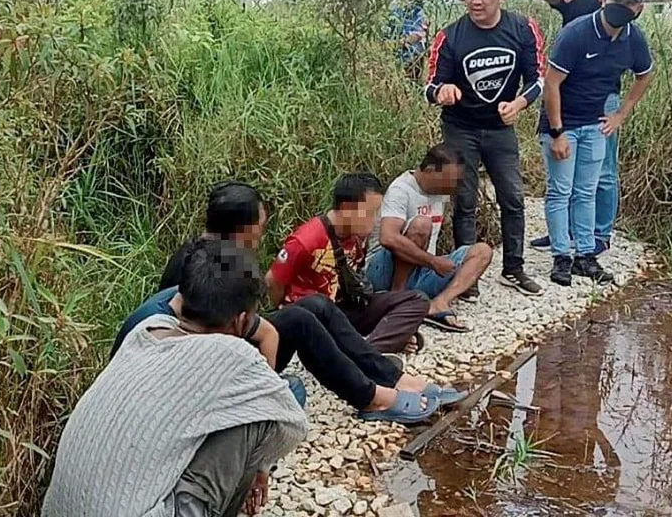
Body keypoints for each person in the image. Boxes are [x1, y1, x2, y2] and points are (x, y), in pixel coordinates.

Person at [118, 181, 458, 426]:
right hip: (198, 369)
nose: (261, 237)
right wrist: (263, 387)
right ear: (241, 230)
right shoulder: (206, 267)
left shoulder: (214, 255)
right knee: (302, 324)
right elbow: (201, 339)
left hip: (217, 346)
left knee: (314, 309)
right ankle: (373, 397)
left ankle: (388, 379)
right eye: (260, 229)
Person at [43, 239, 309, 517]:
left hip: (57, 510)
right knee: (265, 410)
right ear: (241, 321)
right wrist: (261, 467)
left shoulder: (145, 330)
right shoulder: (233, 355)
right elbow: (291, 424)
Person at [424, 0, 545, 297]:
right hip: (460, 127)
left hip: (500, 128)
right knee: (465, 200)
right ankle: (467, 274)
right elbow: (429, 87)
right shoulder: (450, 37)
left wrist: (520, 104)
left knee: (513, 196)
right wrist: (442, 92)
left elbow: (537, 78)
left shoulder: (522, 29)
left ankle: (514, 267)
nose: (475, 0)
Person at [541, 0, 654, 286]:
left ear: (639, 8)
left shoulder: (633, 38)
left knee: (586, 192)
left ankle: (586, 257)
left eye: (630, 3)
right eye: (618, 0)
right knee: (560, 190)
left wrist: (620, 114)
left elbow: (645, 74)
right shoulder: (576, 33)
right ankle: (561, 257)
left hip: (595, 123)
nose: (622, 7)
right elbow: (551, 83)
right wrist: (557, 132)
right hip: (563, 122)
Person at [531, 0, 627, 255]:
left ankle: (600, 234)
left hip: (605, 98)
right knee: (566, 169)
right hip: (567, 94)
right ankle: (566, 231)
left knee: (604, 171)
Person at [266, 172, 431, 353]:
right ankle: (370, 350)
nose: (375, 220)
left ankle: (371, 349)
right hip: (313, 317)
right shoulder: (307, 239)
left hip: (344, 310)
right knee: (320, 305)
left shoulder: (357, 236)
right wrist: (285, 314)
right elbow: (273, 280)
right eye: (369, 213)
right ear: (346, 208)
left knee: (417, 299)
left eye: (377, 213)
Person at [366, 143, 493, 333]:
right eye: (450, 180)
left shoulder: (440, 192)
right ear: (432, 171)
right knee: (421, 224)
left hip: (422, 270)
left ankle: (439, 303)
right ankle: (396, 298)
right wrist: (433, 262)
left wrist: (434, 263)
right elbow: (388, 238)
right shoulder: (401, 190)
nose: (454, 187)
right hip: (384, 271)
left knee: (483, 251)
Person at [387, 0, 429, 79]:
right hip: (399, 65)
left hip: (417, 64)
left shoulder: (423, 15)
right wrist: (406, 41)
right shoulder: (396, 15)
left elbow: (426, 42)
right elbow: (383, 44)